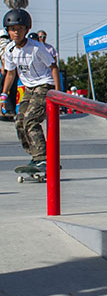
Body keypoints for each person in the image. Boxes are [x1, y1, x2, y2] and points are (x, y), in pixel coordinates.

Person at [1, 9, 59, 175]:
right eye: (13, 29)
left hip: (44, 85)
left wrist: (58, 93)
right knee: (19, 122)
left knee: (31, 120)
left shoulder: (37, 48)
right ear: (8, 31)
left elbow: (54, 68)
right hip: (29, 88)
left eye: (20, 29)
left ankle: (43, 157)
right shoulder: (10, 50)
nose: (16, 32)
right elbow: (10, 74)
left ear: (27, 30)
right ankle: (35, 156)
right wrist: (3, 95)